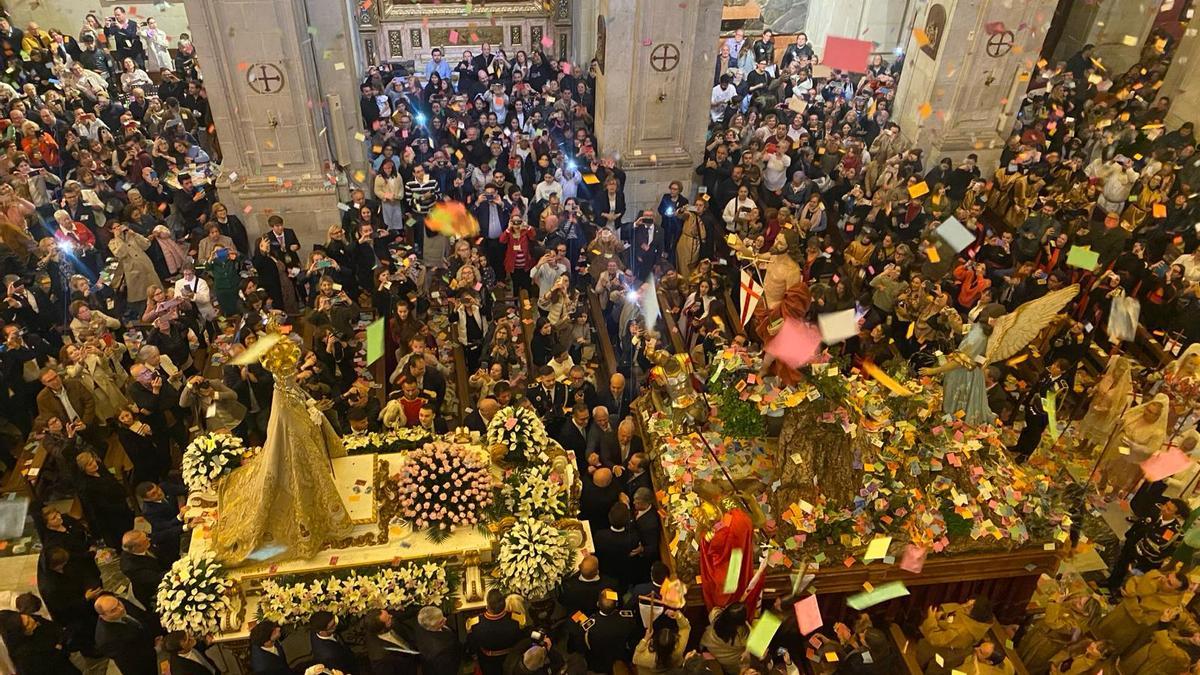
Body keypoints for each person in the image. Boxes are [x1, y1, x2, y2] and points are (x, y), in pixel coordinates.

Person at [1107, 498, 1189, 596]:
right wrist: (1129, 537)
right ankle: (1111, 583)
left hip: (1147, 560)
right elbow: (1140, 523)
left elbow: (1166, 550)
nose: (1163, 508)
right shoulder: (1155, 510)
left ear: (1176, 515)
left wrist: (1145, 556)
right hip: (1133, 544)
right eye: (1165, 505)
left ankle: (1121, 594)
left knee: (1134, 578)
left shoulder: (1175, 532)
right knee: (1121, 564)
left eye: (1168, 509)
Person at [915, 597, 995, 674]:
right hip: (951, 647)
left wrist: (931, 619)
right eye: (968, 602)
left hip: (943, 651)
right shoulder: (977, 620)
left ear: (975, 614)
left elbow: (936, 639)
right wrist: (944, 613)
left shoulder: (963, 631)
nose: (965, 606)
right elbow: (959, 608)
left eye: (969, 607)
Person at [93, 594, 160, 675]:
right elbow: (133, 660)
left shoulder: (119, 602)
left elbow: (141, 615)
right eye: (113, 610)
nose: (121, 609)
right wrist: (155, 648)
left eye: (118, 603)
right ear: (103, 616)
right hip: (142, 665)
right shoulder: (107, 641)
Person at [466, 589, 524, 675]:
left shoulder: (475, 624)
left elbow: (472, 646)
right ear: (504, 604)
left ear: (488, 606)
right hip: (511, 661)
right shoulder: (517, 621)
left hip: (488, 664)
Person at [118, 530, 166, 613]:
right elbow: (155, 579)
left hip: (158, 570)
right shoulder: (130, 567)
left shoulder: (142, 546)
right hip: (151, 589)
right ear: (135, 548)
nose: (149, 539)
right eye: (145, 540)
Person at [363, 608, 420, 672]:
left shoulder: (385, 621)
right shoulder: (380, 658)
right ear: (382, 628)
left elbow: (401, 616)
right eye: (388, 619)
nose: (391, 616)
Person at [411, 605, 461, 675]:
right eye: (441, 621)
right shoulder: (440, 651)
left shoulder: (422, 624)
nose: (445, 619)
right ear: (433, 626)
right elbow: (447, 670)